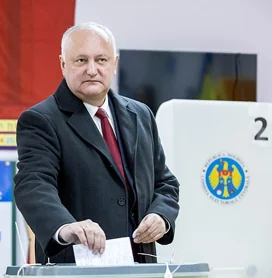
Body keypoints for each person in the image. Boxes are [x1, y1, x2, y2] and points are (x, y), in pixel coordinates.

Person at [14, 22, 179, 264]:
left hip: (140, 267)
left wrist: (161, 216)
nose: (92, 70)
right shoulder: (41, 120)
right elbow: (33, 185)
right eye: (81, 60)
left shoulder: (141, 114)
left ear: (114, 63)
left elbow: (164, 183)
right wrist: (66, 226)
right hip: (78, 265)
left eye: (101, 60)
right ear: (63, 64)